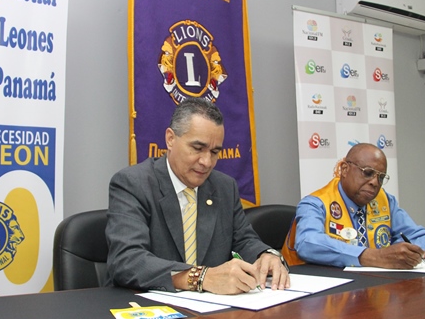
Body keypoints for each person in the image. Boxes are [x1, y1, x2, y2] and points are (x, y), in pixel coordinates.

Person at [105, 97, 290, 294]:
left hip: (211, 308)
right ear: (170, 139)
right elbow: (127, 260)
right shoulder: (133, 183)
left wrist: (266, 255)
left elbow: (244, 241)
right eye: (197, 148)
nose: (207, 162)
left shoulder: (224, 187)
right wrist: (199, 277)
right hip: (146, 304)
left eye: (215, 152)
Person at [282, 143, 425, 269]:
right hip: (318, 294)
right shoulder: (315, 203)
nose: (375, 183)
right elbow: (308, 242)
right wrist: (372, 256)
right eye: (368, 173)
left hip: (371, 288)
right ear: (344, 169)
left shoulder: (385, 201)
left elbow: (412, 233)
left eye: (381, 177)